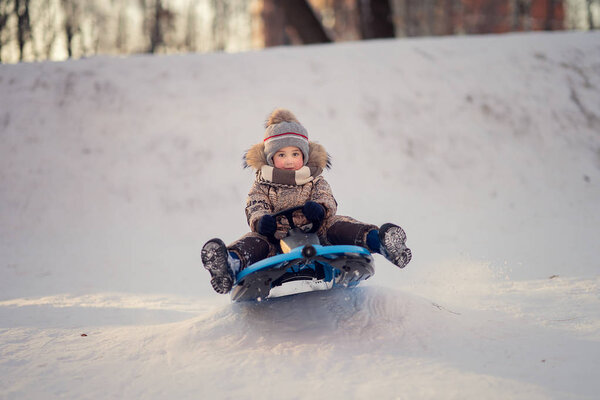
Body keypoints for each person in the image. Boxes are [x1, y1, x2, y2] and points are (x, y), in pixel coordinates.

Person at [201, 108, 412, 294]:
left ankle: (381, 241)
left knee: (339, 225)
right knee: (254, 242)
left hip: (318, 232)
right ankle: (228, 264)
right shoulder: (262, 185)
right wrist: (262, 220)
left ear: (304, 155)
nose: (290, 160)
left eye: (295, 153)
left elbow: (326, 198)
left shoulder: (314, 180)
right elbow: (255, 205)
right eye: (282, 155)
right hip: (276, 239)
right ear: (270, 159)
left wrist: (320, 209)